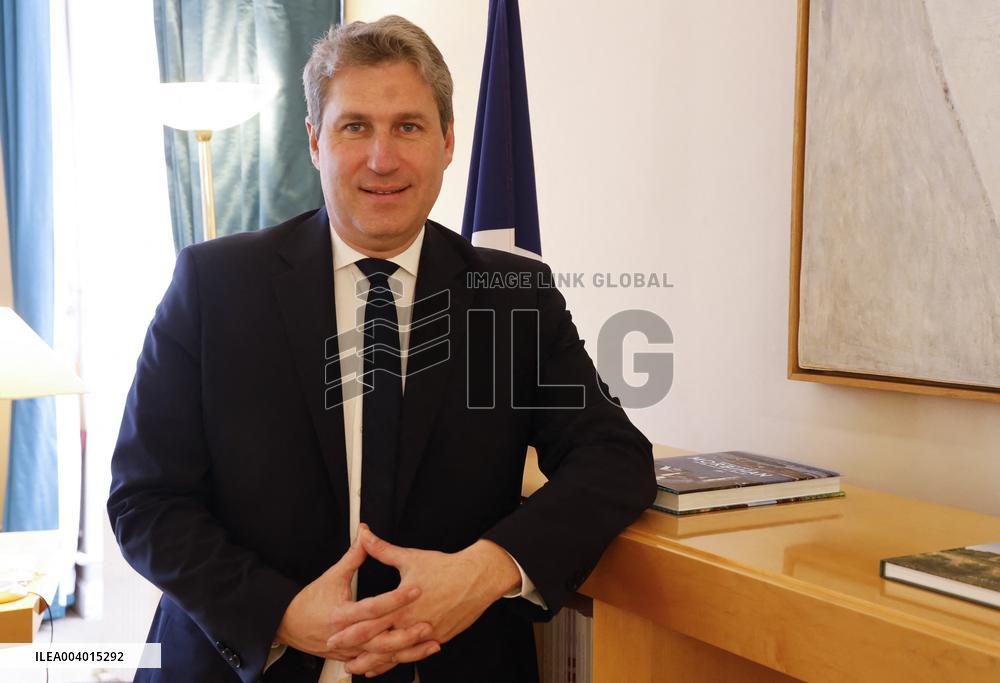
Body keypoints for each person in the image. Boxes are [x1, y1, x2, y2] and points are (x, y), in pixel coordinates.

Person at [108, 15, 655, 683]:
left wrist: (484, 570)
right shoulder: (213, 285)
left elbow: (615, 457)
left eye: (409, 126)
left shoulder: (515, 295)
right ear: (314, 140)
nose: (382, 158)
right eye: (355, 126)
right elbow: (146, 498)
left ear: (449, 141)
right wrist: (281, 611)